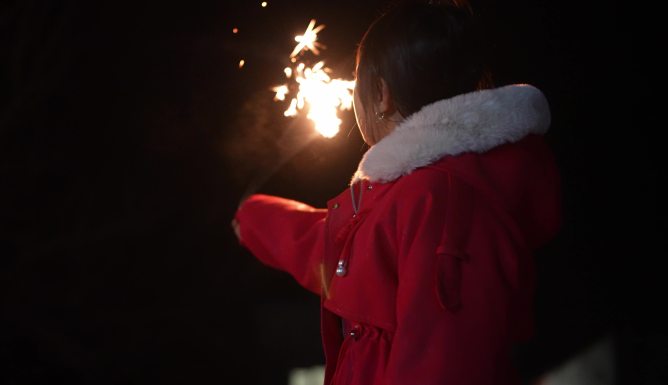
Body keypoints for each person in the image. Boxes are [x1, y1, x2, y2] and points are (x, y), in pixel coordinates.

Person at [233, 1, 561, 384]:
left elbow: (446, 361)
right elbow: (328, 246)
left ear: (382, 95)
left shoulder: (442, 199)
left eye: (357, 82)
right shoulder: (409, 195)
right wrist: (254, 218)